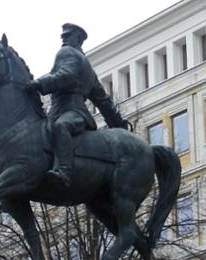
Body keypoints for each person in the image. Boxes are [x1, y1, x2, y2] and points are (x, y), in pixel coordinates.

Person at [29, 23, 130, 187]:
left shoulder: (67, 53)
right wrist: (118, 124)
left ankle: (64, 171)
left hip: (73, 111)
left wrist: (39, 84)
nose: (63, 38)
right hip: (56, 112)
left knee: (62, 127)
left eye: (67, 35)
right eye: (63, 35)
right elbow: (103, 101)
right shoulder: (88, 68)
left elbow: (66, 76)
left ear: (78, 38)